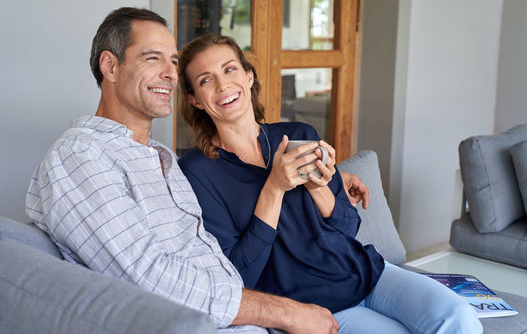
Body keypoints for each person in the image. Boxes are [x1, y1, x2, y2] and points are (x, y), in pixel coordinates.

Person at [25, 7, 344, 334]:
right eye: (152, 58)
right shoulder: (80, 155)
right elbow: (146, 275)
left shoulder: (161, 157)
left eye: (174, 62)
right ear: (110, 66)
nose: (170, 74)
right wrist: (285, 313)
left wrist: (335, 178)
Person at [177, 33, 483, 334]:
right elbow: (239, 274)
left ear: (249, 76)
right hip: (311, 304)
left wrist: (318, 186)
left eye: (230, 69)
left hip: (363, 271)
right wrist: (275, 187)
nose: (222, 85)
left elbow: (348, 227)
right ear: (195, 99)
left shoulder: (300, 133)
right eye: (205, 80)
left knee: (460, 317)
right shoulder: (198, 170)